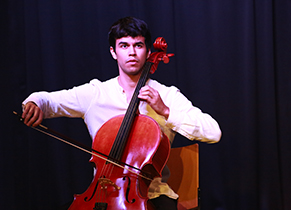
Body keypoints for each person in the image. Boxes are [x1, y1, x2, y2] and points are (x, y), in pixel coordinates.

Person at [21, 16, 221, 210]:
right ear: (113, 52)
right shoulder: (96, 93)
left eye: (138, 45)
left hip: (152, 195)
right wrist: (34, 102)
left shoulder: (166, 95)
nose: (132, 52)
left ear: (148, 51)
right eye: (124, 46)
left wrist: (165, 111)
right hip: (100, 194)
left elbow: (213, 132)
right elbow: (48, 100)